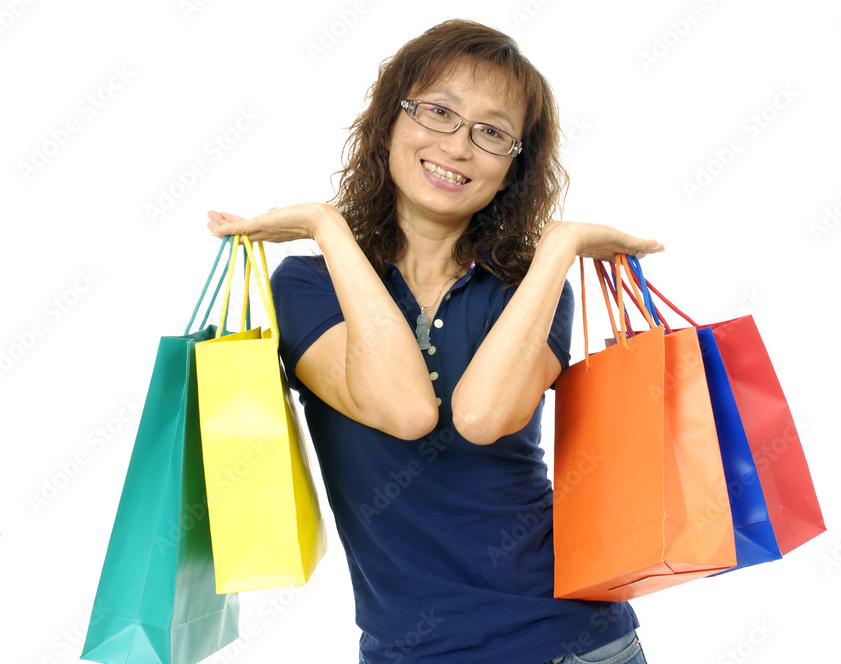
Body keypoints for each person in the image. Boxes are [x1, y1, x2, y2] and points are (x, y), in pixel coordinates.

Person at [206, 18, 663, 664]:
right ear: (392, 122)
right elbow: (406, 408)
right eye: (439, 112)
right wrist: (325, 226)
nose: (458, 145)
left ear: (512, 169)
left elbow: (481, 416)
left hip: (575, 643)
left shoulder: (527, 292)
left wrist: (559, 249)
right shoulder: (308, 285)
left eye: (492, 132)